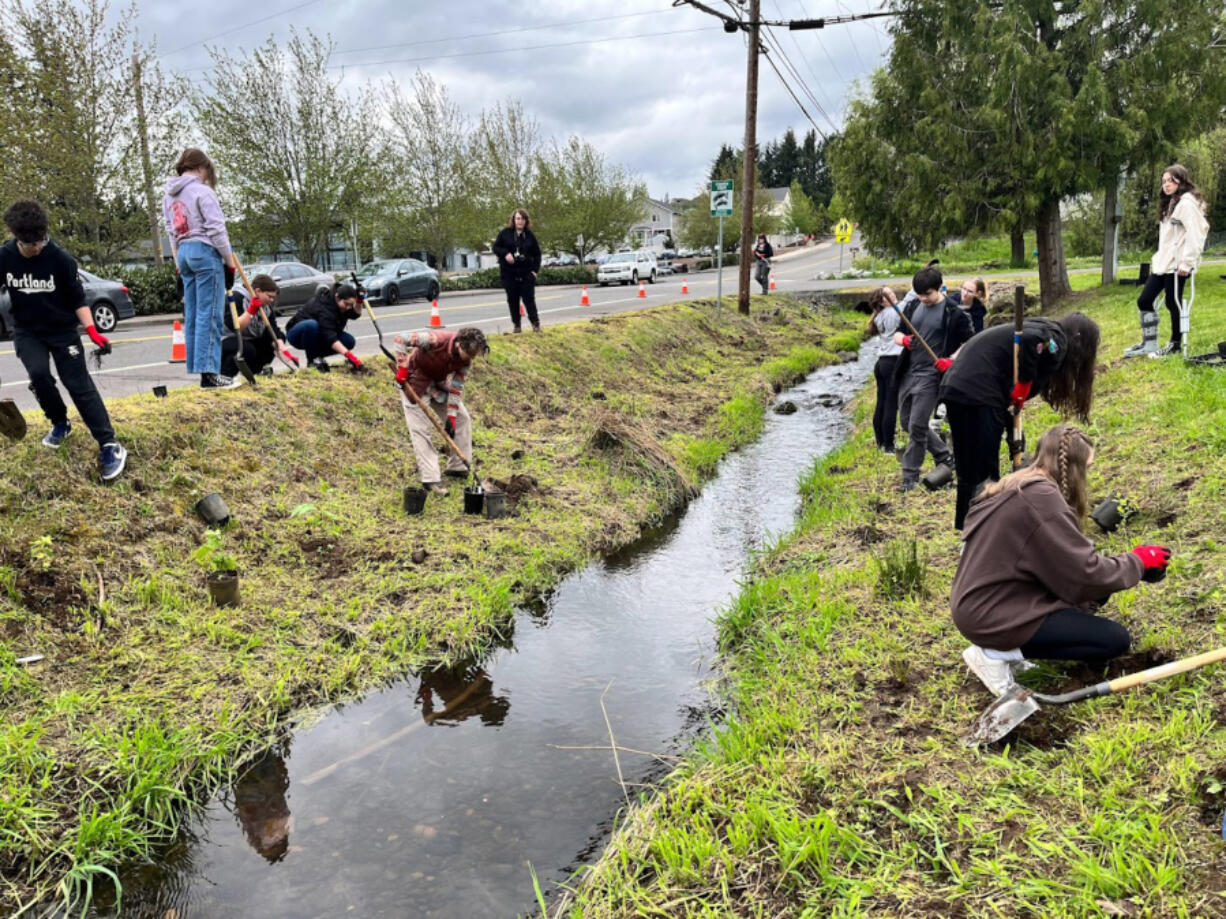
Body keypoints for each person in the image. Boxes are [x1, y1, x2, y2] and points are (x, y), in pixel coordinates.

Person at [952, 425, 1171, 696]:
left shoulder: (1019, 482)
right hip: (992, 613)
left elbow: (1074, 567)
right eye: (1088, 467)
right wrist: (1138, 562)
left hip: (986, 600)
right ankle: (997, 653)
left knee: (1099, 593)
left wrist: (1129, 567)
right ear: (1074, 467)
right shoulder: (1042, 499)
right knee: (1114, 640)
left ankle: (1006, 647)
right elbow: (1085, 574)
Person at [0, 200, 127, 480]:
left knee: (77, 384)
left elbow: (77, 299)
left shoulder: (61, 259)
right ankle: (60, 423)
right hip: (27, 330)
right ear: (17, 237)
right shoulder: (4, 257)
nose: (37, 247)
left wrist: (92, 331)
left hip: (62, 331)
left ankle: (109, 444)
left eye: (41, 240)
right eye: (30, 243)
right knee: (39, 375)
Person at [940, 312, 1099, 530]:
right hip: (978, 393)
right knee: (983, 467)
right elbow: (1030, 340)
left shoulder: (1043, 329)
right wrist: (1023, 386)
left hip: (958, 389)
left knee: (969, 465)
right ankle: (982, 528)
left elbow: (1007, 387)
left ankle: (968, 525)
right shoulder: (1055, 338)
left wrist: (1013, 429)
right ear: (1080, 341)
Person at [163, 148, 238, 389]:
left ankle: (200, 370)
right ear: (202, 168)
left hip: (183, 252)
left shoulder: (170, 196)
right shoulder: (203, 192)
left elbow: (170, 231)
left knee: (194, 314)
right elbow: (216, 229)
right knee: (211, 314)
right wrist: (230, 262)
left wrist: (177, 263)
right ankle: (210, 373)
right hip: (205, 252)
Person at [894, 266, 973, 492]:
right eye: (919, 294)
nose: (923, 298)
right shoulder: (912, 306)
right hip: (908, 373)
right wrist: (905, 341)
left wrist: (950, 360)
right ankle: (944, 456)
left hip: (931, 376)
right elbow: (897, 333)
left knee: (918, 425)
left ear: (939, 288)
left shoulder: (953, 313)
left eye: (927, 294)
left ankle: (909, 478)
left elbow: (969, 343)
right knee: (906, 423)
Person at [1125, 164, 1209, 358]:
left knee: (1173, 302)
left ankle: (1175, 344)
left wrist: (1187, 263)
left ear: (1181, 180)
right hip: (1164, 263)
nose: (1166, 184)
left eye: (1171, 180)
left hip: (1178, 264)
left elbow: (1197, 233)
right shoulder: (1171, 203)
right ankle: (1149, 343)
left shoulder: (1187, 204)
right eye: (1164, 181)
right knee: (1144, 300)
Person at [392, 327, 489, 495]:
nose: (472, 358)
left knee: (462, 419)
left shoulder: (466, 361)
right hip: (414, 381)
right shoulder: (434, 339)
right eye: (471, 353)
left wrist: (451, 416)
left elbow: (456, 387)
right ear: (460, 345)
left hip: (437, 384)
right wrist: (402, 367)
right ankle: (431, 479)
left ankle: (458, 467)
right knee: (421, 429)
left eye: (476, 354)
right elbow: (400, 338)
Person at [221, 275, 297, 380]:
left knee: (275, 339)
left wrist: (279, 343)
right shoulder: (236, 298)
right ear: (258, 291)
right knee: (247, 349)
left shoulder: (266, 306)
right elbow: (235, 326)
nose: (271, 300)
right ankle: (225, 376)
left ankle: (255, 372)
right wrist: (251, 310)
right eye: (269, 296)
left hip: (248, 340)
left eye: (273, 298)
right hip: (225, 340)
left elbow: (272, 328)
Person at [285, 283, 365, 372]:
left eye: (351, 305)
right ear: (337, 297)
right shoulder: (325, 307)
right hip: (297, 334)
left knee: (349, 341)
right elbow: (330, 337)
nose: (348, 307)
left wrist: (359, 301)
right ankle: (313, 361)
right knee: (311, 325)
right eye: (346, 304)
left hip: (320, 334)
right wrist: (350, 356)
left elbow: (355, 314)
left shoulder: (342, 305)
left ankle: (318, 357)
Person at [865, 286, 903, 453]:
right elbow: (910, 299)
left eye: (892, 291)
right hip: (892, 362)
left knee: (881, 402)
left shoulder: (879, 316)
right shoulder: (893, 312)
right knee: (891, 404)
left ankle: (880, 442)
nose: (893, 294)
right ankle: (889, 446)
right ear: (883, 301)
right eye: (889, 294)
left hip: (881, 363)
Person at [491, 208, 542, 333]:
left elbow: (537, 254)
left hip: (526, 274)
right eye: (518, 218)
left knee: (529, 300)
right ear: (513, 220)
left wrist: (534, 271)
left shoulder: (530, 236)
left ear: (526, 221)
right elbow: (495, 247)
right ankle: (517, 325)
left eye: (523, 219)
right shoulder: (505, 233)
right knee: (513, 300)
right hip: (509, 274)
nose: (520, 221)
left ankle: (535, 324)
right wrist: (505, 253)